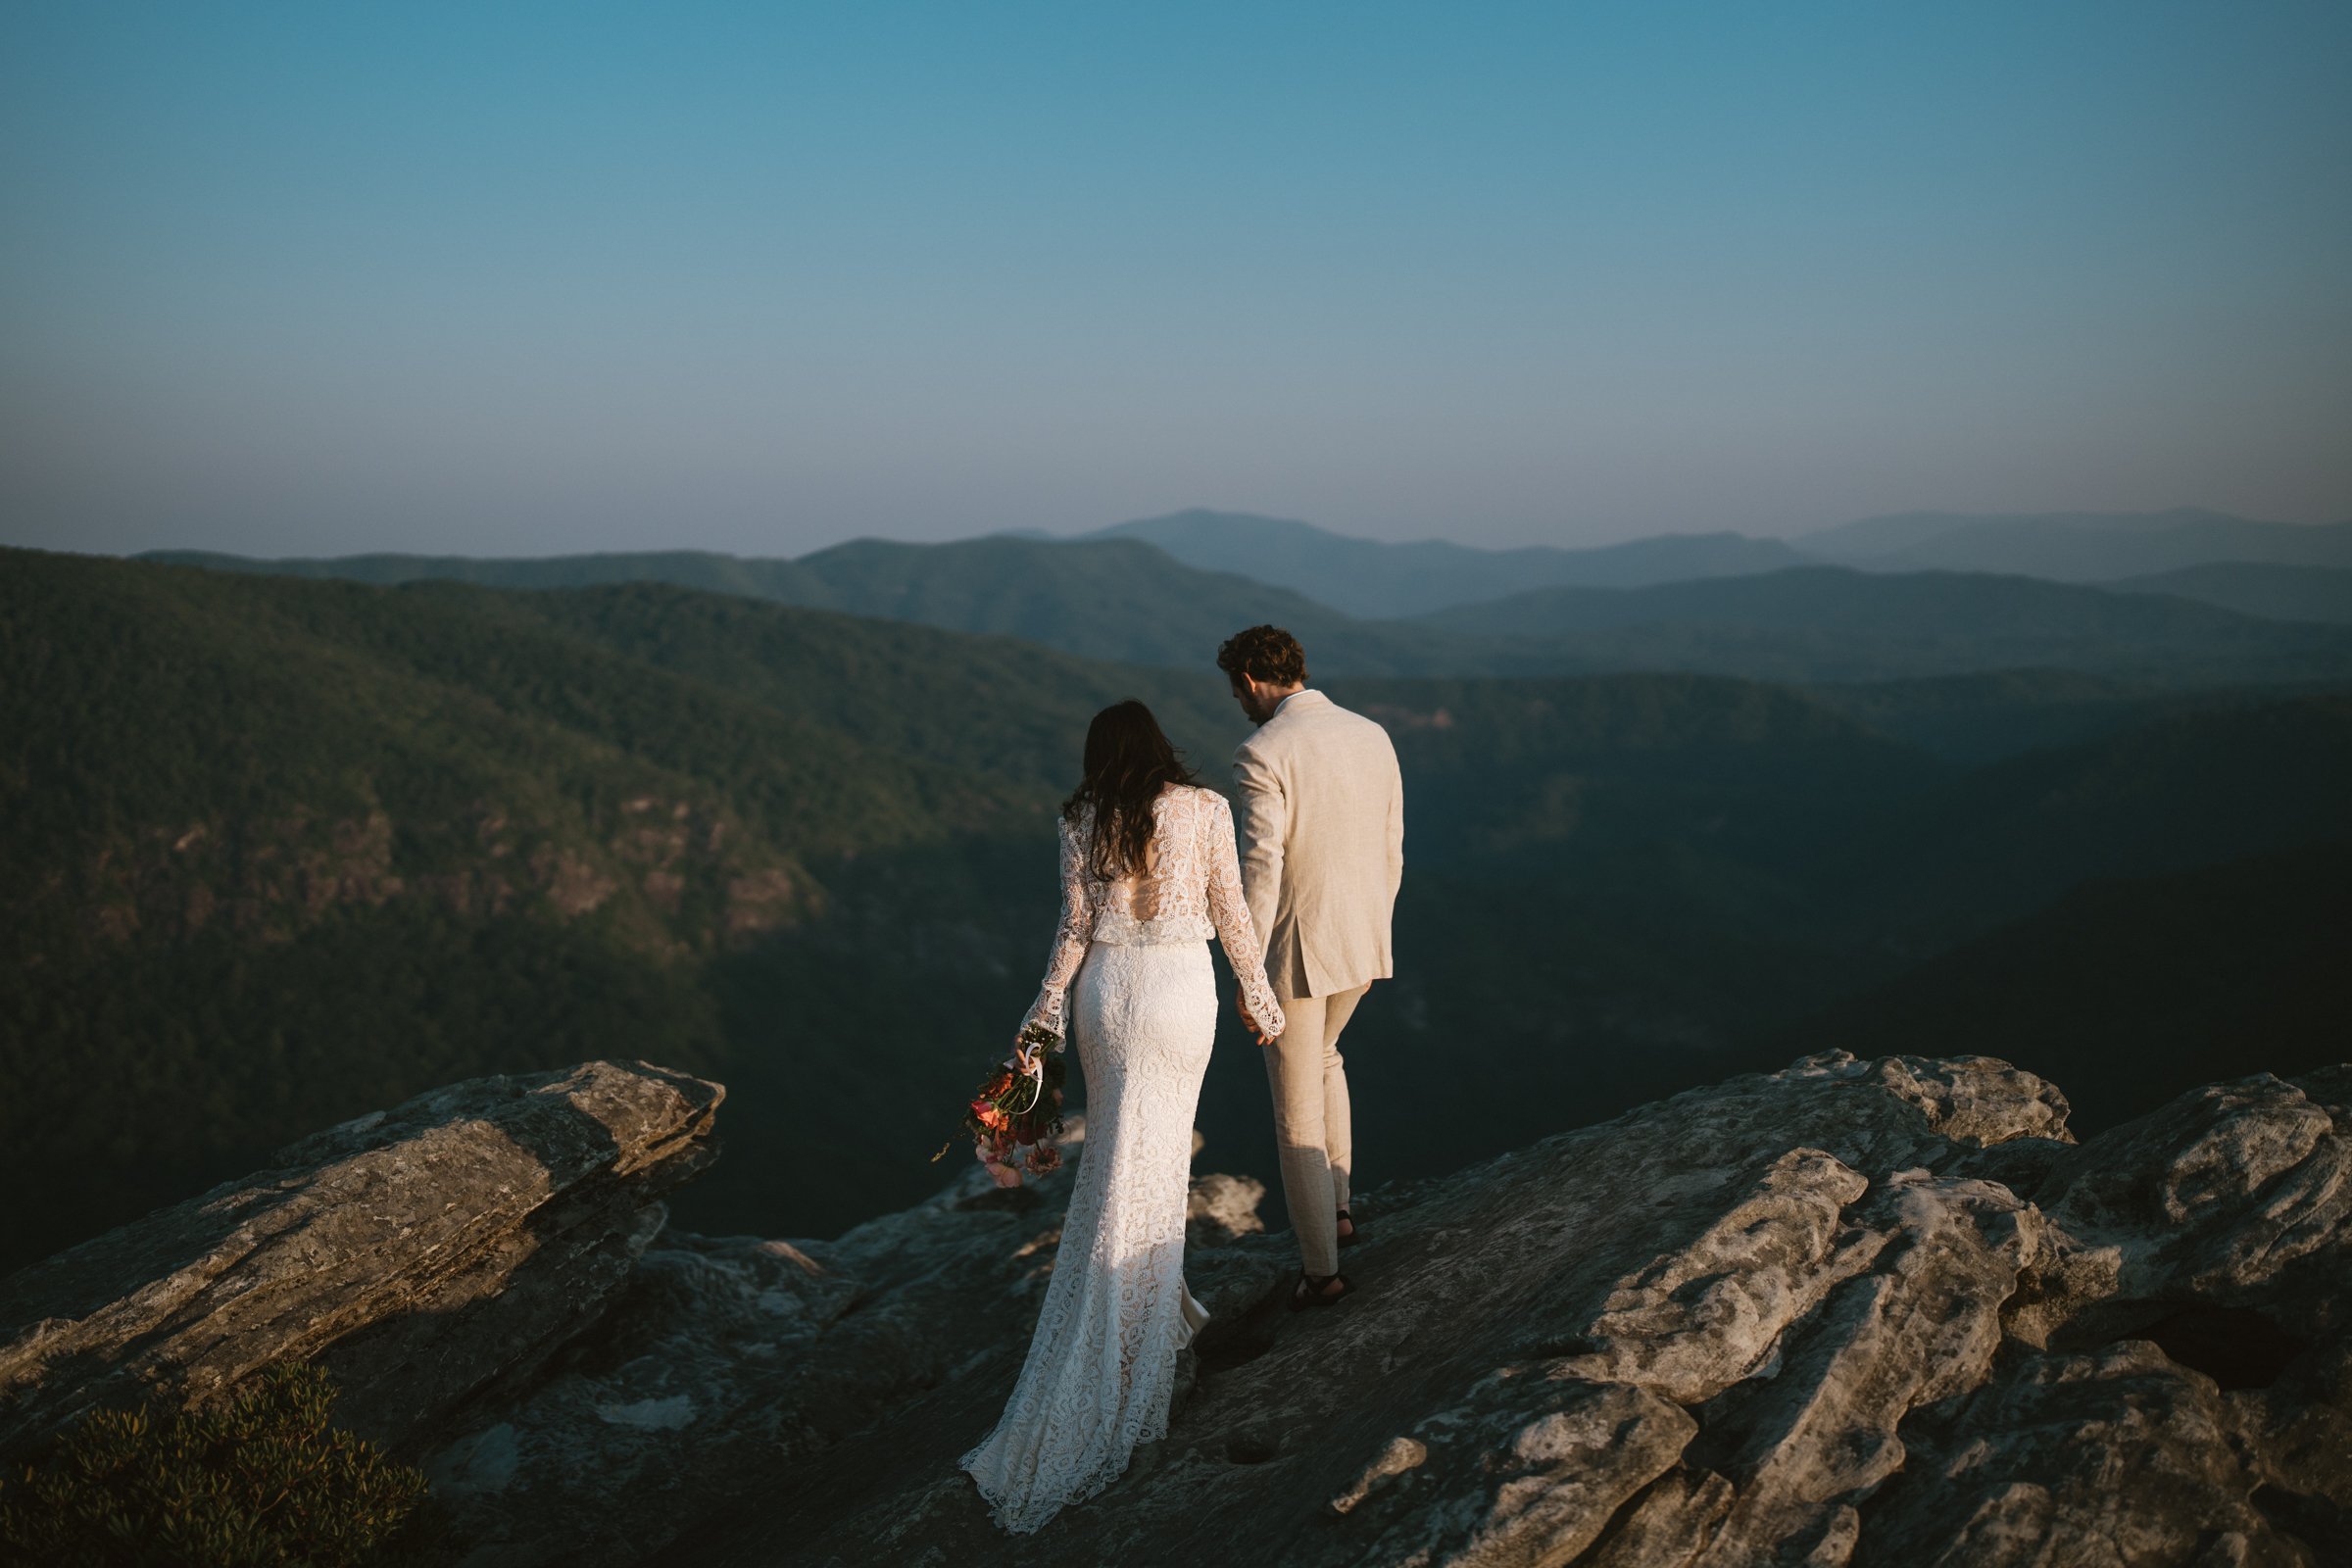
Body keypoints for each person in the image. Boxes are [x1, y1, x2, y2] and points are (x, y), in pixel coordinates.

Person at [961, 700, 1286, 1535]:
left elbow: (1073, 929)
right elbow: (1231, 912)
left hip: (1108, 993)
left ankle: (1145, 1310)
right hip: (1180, 991)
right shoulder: (1205, 808)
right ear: (1161, 747)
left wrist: (1041, 1015)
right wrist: (1260, 997)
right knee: (1158, 1155)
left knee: (1117, 1155)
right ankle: (1139, 1326)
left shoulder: (1082, 816)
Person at [1218, 624, 1403, 1311]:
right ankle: (1342, 1210)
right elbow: (1393, 847)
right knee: (1327, 1057)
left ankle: (1321, 1271)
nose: (1238, 702)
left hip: (1296, 949)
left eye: (1236, 689)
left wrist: (1248, 971)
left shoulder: (1262, 751)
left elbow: (1262, 869)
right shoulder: (1371, 734)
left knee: (1294, 1115)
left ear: (1248, 681)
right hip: (1362, 938)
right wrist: (1376, 925)